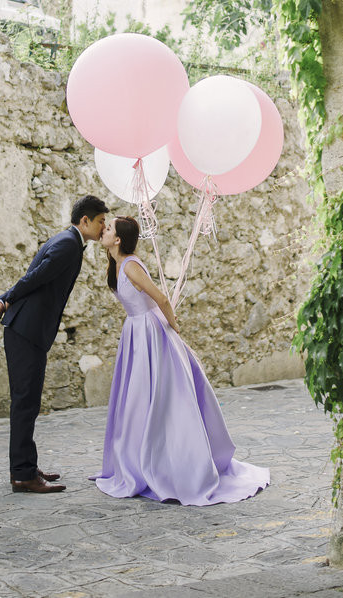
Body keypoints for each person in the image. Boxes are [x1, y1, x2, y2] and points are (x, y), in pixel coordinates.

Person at [91, 216, 270, 505]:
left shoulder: (131, 266)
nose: (103, 230)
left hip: (151, 332)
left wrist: (172, 326)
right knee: (137, 399)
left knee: (161, 398)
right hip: (136, 332)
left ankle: (174, 464)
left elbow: (161, 298)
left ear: (119, 239)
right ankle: (136, 458)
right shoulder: (116, 265)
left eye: (108, 228)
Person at [0, 194, 108, 493]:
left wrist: (5, 299)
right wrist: (5, 299)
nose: (105, 227)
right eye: (101, 221)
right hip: (26, 331)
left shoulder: (66, 241)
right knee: (25, 402)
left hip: (27, 330)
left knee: (27, 402)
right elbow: (34, 278)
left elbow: (33, 279)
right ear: (85, 221)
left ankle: (26, 465)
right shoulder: (67, 245)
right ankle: (23, 475)